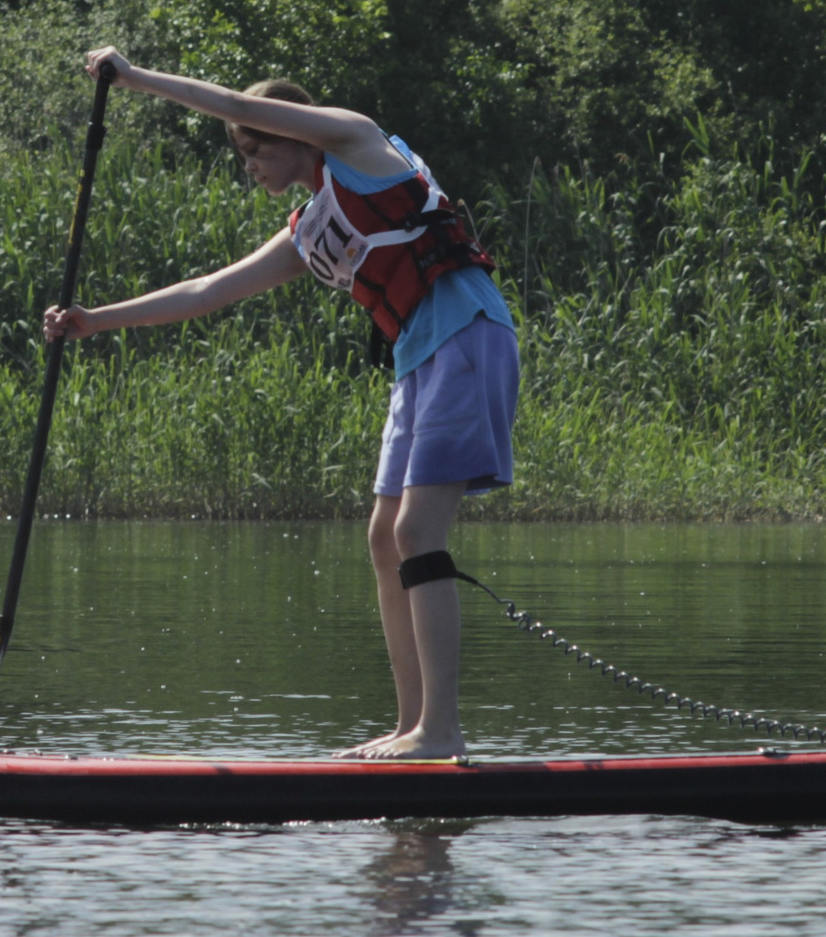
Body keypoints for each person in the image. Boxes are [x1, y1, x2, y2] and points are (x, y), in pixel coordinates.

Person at [41, 48, 520, 760]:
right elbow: (210, 290)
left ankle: (440, 731)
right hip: (417, 355)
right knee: (384, 535)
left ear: (293, 130)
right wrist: (93, 320)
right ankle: (411, 722)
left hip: (467, 335)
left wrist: (133, 76)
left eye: (255, 148)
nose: (250, 163)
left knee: (419, 530)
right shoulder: (311, 225)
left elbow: (236, 104)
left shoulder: (357, 140)